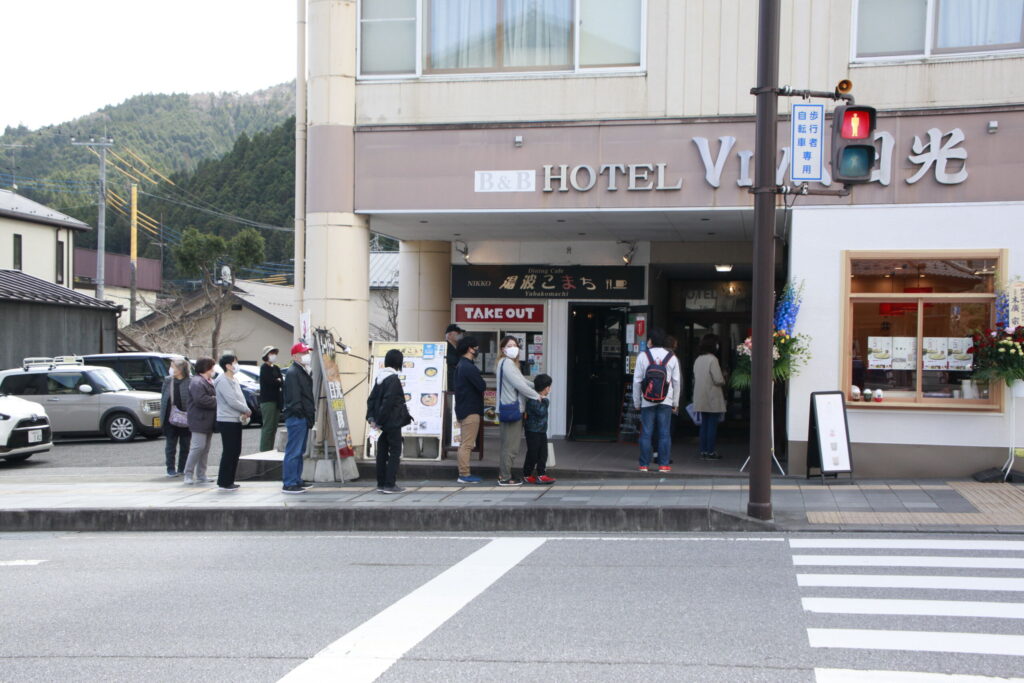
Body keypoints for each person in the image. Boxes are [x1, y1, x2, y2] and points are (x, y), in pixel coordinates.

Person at [632, 328, 681, 473]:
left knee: (646, 432)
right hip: (666, 400)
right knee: (664, 432)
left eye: (648, 339)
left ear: (651, 341)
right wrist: (676, 403)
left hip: (647, 400)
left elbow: (637, 381)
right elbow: (676, 381)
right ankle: (663, 464)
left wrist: (636, 402)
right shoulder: (671, 357)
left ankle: (644, 465)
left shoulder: (643, 356)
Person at [495, 335, 539, 486]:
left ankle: (505, 473)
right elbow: (519, 385)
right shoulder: (507, 363)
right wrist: (536, 396)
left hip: (507, 408)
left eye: (515, 345)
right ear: (503, 349)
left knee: (507, 445)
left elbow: (523, 381)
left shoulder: (508, 363)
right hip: (511, 409)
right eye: (509, 345)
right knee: (511, 447)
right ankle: (505, 477)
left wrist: (536, 385)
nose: (513, 348)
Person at [367, 349, 412, 494]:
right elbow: (388, 402)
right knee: (395, 451)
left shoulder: (380, 378)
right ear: (398, 362)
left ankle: (381, 483)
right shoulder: (393, 379)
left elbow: (372, 399)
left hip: (382, 423)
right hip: (392, 421)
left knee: (382, 451)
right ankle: (390, 484)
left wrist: (372, 419)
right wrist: (379, 420)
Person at [282, 342, 315, 494]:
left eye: (307, 352)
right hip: (297, 417)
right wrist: (304, 415)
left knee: (299, 451)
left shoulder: (301, 371)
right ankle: (289, 482)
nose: (306, 355)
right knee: (294, 451)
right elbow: (295, 399)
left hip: (301, 417)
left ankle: (296, 479)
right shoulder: (293, 372)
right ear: (295, 356)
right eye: (303, 353)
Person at [215, 353, 251, 491]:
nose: (237, 365)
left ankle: (229, 479)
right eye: (235, 362)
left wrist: (244, 410)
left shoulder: (233, 379)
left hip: (235, 418)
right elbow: (231, 400)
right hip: (227, 419)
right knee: (230, 450)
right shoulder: (222, 380)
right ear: (228, 365)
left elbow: (239, 398)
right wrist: (246, 409)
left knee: (235, 450)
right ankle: (224, 481)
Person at [452, 335, 484, 484]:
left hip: (463, 408)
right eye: (475, 347)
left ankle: (464, 473)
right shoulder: (468, 367)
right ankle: (464, 474)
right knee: (467, 444)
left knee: (465, 443)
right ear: (470, 349)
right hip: (471, 410)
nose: (477, 349)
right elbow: (482, 385)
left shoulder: (460, 365)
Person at [183, 358, 217, 485]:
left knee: (205, 448)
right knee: (198, 447)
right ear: (206, 367)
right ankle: (188, 473)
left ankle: (201, 474)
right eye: (212, 367)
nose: (213, 369)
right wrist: (217, 400)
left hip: (206, 419)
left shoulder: (206, 381)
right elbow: (200, 400)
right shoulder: (197, 382)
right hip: (199, 419)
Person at [693, 333, 727, 460]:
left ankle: (703, 451)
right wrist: (724, 376)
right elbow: (718, 379)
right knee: (712, 425)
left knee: (704, 425)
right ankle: (710, 451)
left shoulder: (698, 359)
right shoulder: (713, 359)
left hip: (700, 397)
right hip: (712, 397)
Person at [160, 358, 192, 477]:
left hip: (186, 418)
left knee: (185, 445)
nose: (171, 369)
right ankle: (170, 469)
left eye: (173, 366)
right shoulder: (168, 381)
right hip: (170, 418)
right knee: (170, 445)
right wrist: (162, 417)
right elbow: (163, 399)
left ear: (180, 369)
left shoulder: (190, 381)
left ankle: (182, 468)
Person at [522, 373, 555, 485]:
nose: (550, 389)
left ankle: (541, 474)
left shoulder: (540, 398)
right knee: (533, 453)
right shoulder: (533, 398)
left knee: (543, 453)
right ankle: (527, 474)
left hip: (541, 431)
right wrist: (545, 401)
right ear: (546, 388)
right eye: (549, 386)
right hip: (532, 431)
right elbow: (541, 412)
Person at [258, 345, 283, 452]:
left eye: (274, 353)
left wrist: (278, 381)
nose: (274, 356)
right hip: (267, 401)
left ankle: (270, 449)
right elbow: (271, 382)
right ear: (266, 356)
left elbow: (281, 381)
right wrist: (277, 381)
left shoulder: (276, 368)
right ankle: (264, 450)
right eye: (271, 353)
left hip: (277, 400)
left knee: (273, 427)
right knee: (268, 427)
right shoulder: (264, 368)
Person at [444, 323, 464, 389]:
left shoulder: (458, 348)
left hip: (458, 384)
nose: (460, 335)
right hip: (450, 385)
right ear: (449, 335)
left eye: (460, 333)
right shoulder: (444, 348)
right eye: (458, 333)